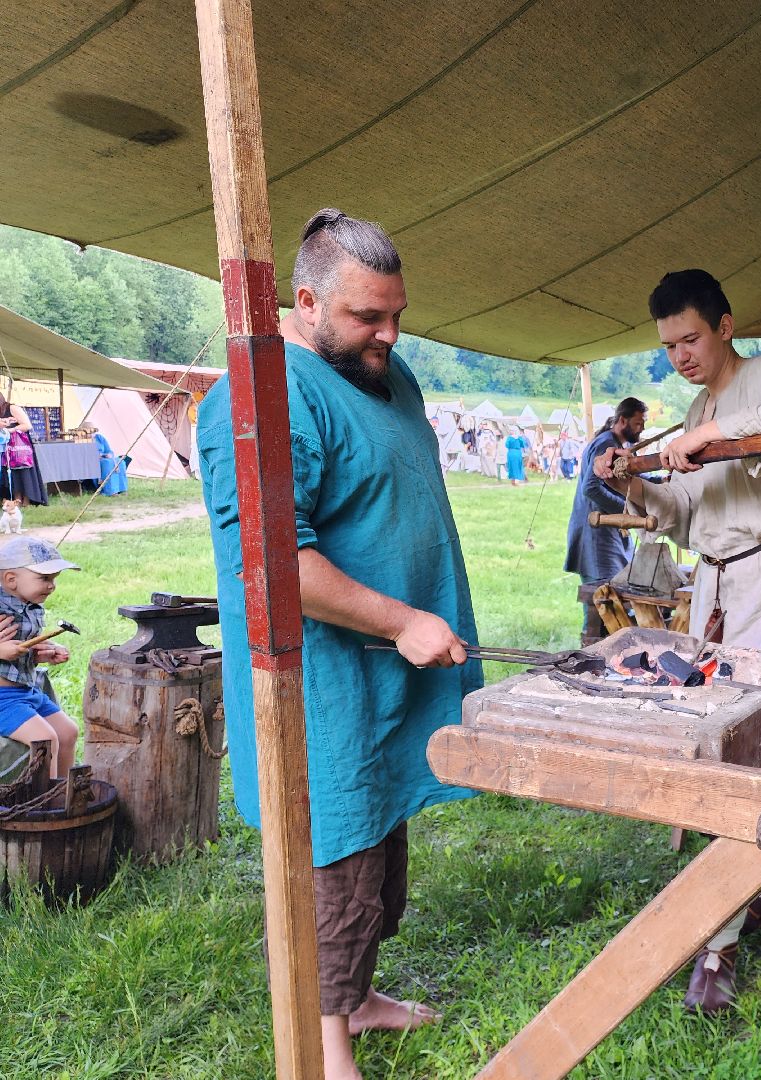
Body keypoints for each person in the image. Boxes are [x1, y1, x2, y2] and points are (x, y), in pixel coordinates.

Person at [197, 208, 479, 1080]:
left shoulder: (388, 376)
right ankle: (321, 1054)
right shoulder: (261, 395)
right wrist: (402, 621)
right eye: (367, 318)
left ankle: (358, 1000)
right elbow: (275, 568)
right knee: (338, 856)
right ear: (306, 298)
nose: (389, 336)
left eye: (397, 315)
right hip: (327, 683)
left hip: (394, 675)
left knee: (382, 843)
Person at [595, 268, 761, 1016]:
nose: (681, 356)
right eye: (668, 346)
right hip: (720, 587)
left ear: (725, 326)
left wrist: (712, 434)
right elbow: (688, 506)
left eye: (690, 338)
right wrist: (633, 483)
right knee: (731, 745)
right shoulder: (700, 404)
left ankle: (718, 940)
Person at [564, 398, 648, 645]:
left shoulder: (615, 445)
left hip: (607, 533)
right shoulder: (606, 445)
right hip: (596, 535)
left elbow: (630, 480)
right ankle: (591, 659)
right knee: (602, 605)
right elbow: (592, 488)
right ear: (622, 421)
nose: (641, 429)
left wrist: (659, 483)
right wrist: (628, 509)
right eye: (637, 423)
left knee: (611, 602)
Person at [0, 537, 78, 780]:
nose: (52, 586)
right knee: (45, 740)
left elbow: (27, 647)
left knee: (67, 732)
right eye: (45, 579)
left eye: (54, 579)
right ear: (11, 579)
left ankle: (61, 793)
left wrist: (45, 651)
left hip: (26, 691)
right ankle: (42, 805)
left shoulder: (32, 606)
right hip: (3, 699)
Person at [0, 394, 46, 507]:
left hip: (20, 449)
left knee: (24, 475)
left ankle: (27, 501)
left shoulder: (12, 408)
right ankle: (16, 501)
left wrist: (11, 430)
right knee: (12, 476)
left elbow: (27, 425)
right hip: (6, 450)